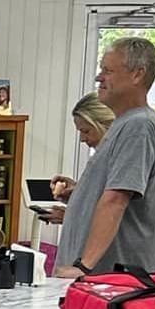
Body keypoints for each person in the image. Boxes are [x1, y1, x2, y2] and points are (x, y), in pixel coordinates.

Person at [51, 37, 155, 276]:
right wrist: (80, 194)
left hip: (109, 282)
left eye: (108, 70)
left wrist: (83, 266)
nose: (99, 77)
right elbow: (116, 190)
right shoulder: (124, 124)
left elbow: (116, 200)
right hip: (98, 279)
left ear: (137, 74)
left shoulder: (139, 126)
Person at [40, 94, 116, 225]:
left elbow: (114, 211)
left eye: (86, 131)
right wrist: (77, 193)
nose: (82, 139)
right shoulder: (102, 158)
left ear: (106, 125)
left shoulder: (119, 159)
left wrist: (71, 217)